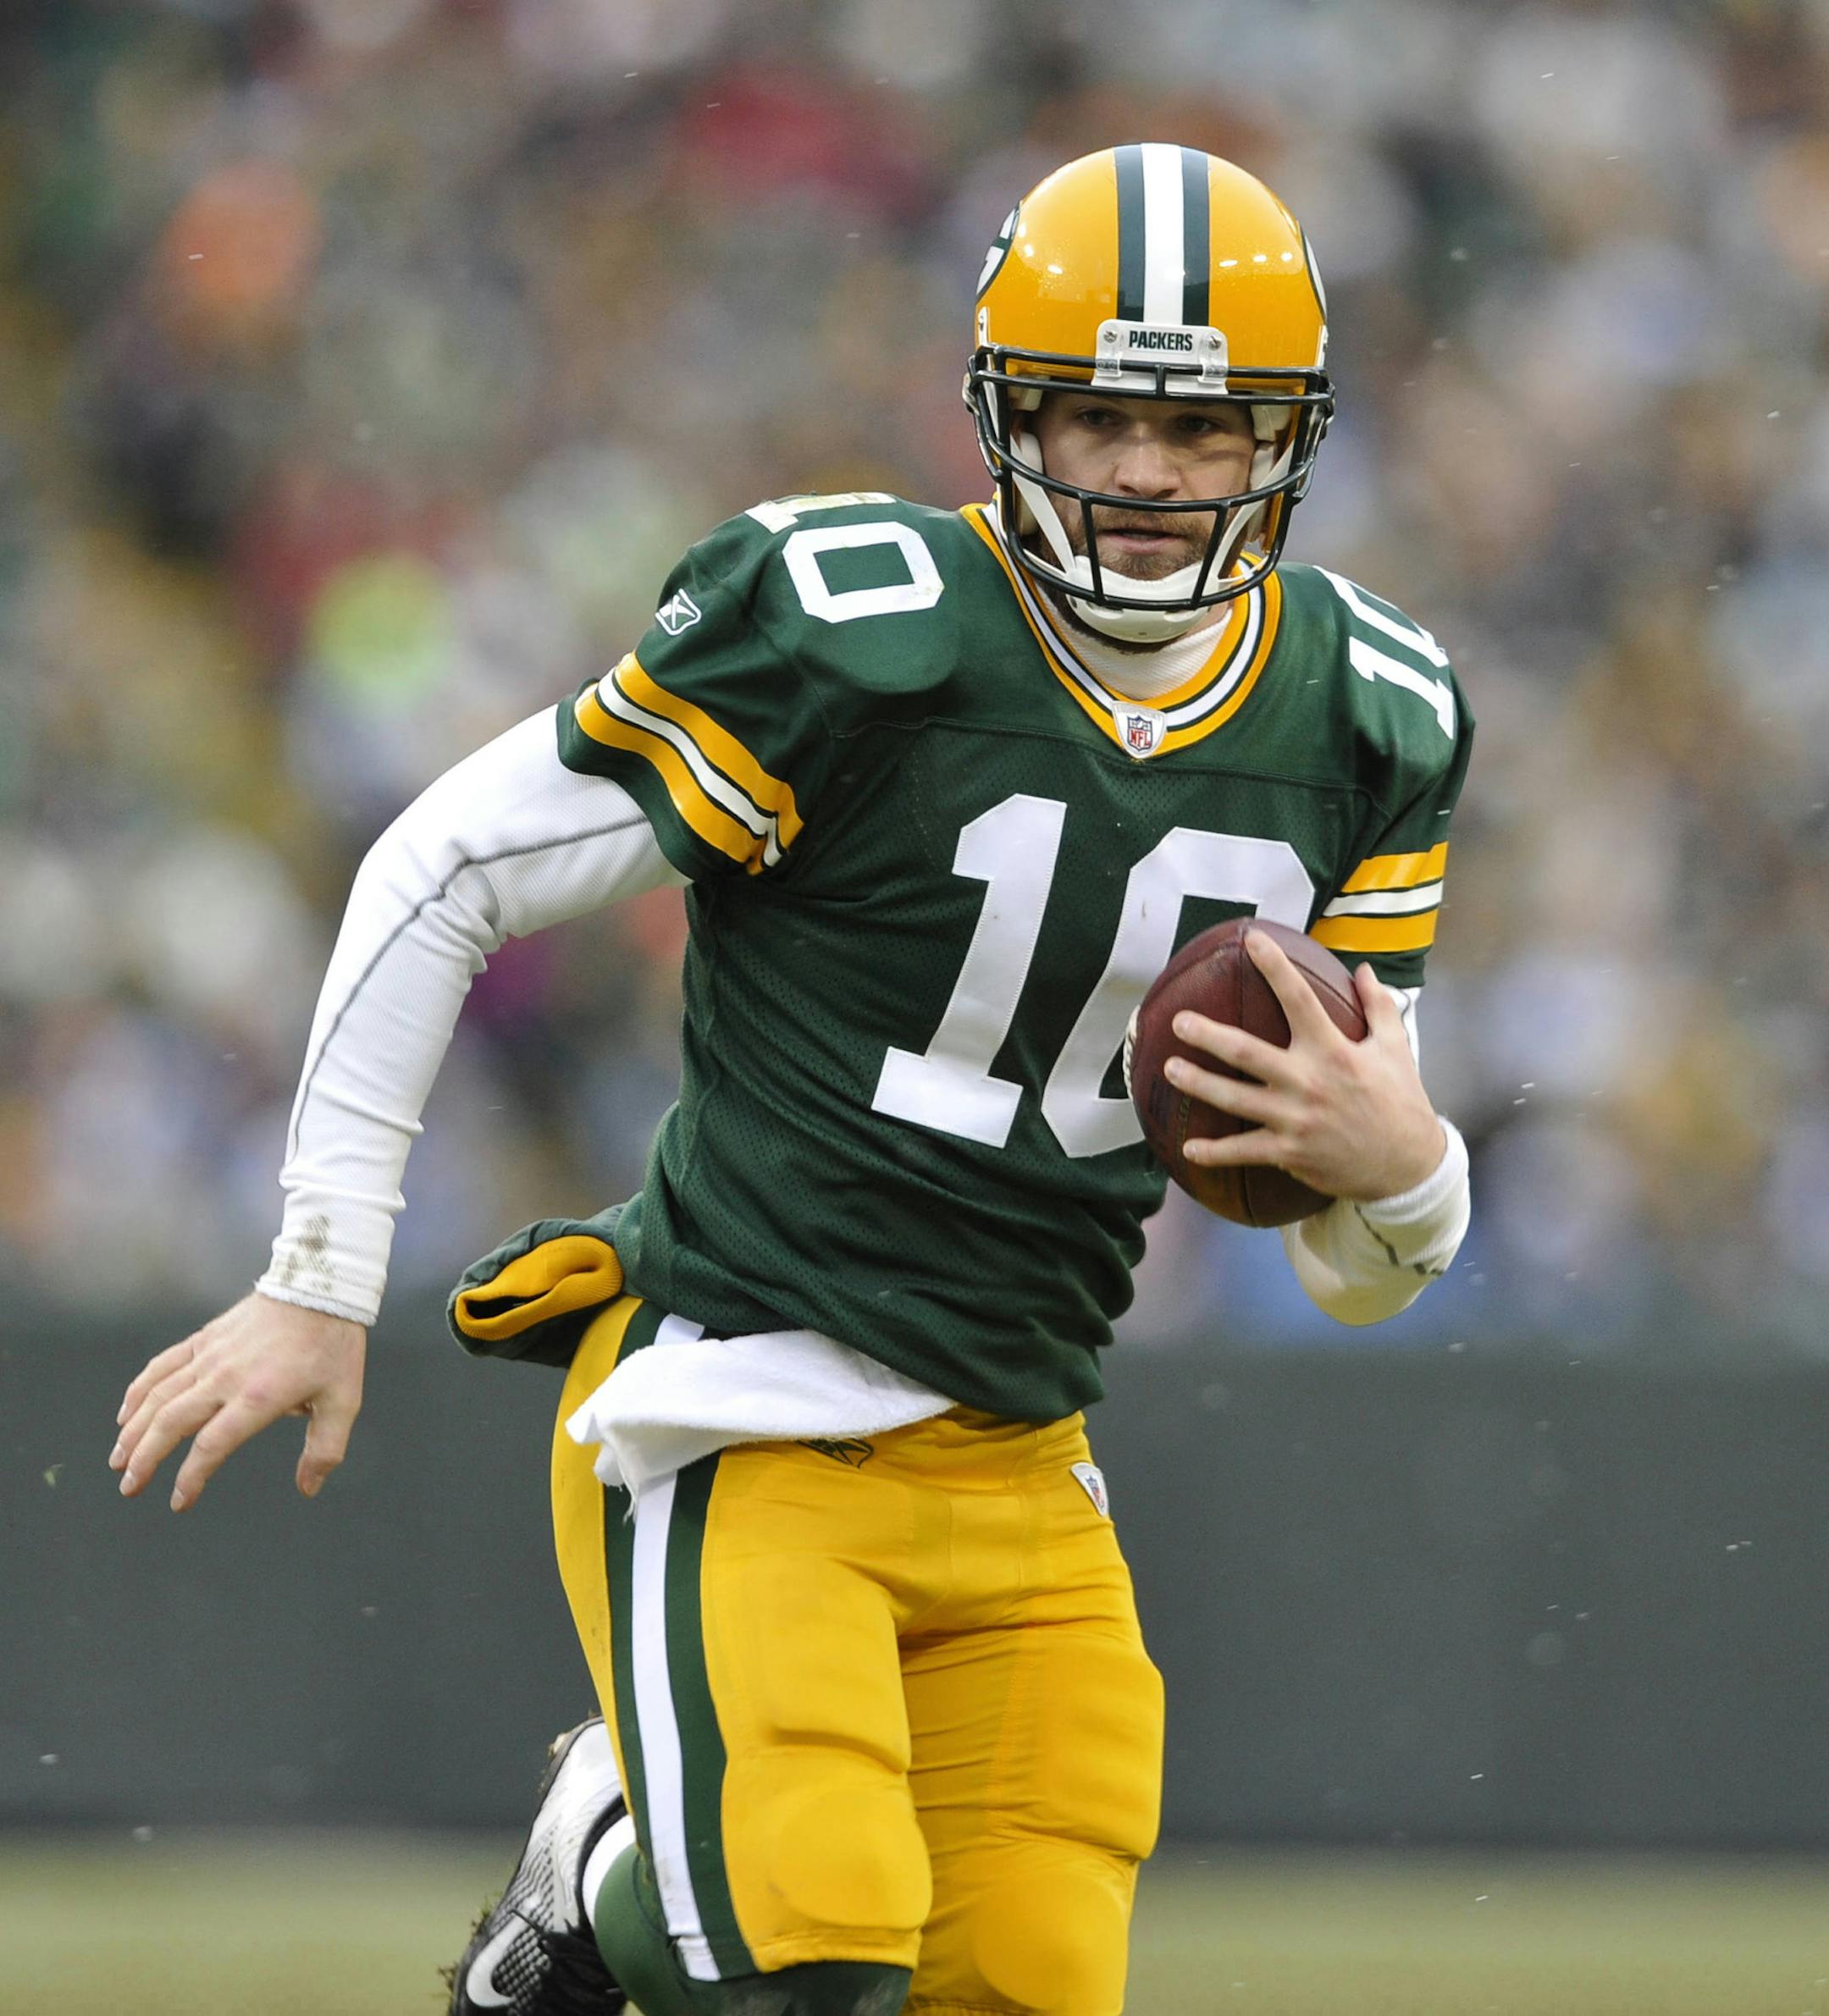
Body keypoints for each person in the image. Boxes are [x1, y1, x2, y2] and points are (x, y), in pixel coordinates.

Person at [110, 146, 1473, 2016]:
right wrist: (319, 1273)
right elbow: (447, 864)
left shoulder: (1371, 711)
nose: (1151, 474)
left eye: (1202, 427)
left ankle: (627, 1854)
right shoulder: (852, 624)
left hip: (1025, 1441)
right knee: (799, 1962)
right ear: (1010, 414)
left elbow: (1353, 1267)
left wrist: (1408, 1169)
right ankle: (602, 1867)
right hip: (740, 1392)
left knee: (1019, 1988)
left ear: (1284, 441)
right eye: (1100, 416)